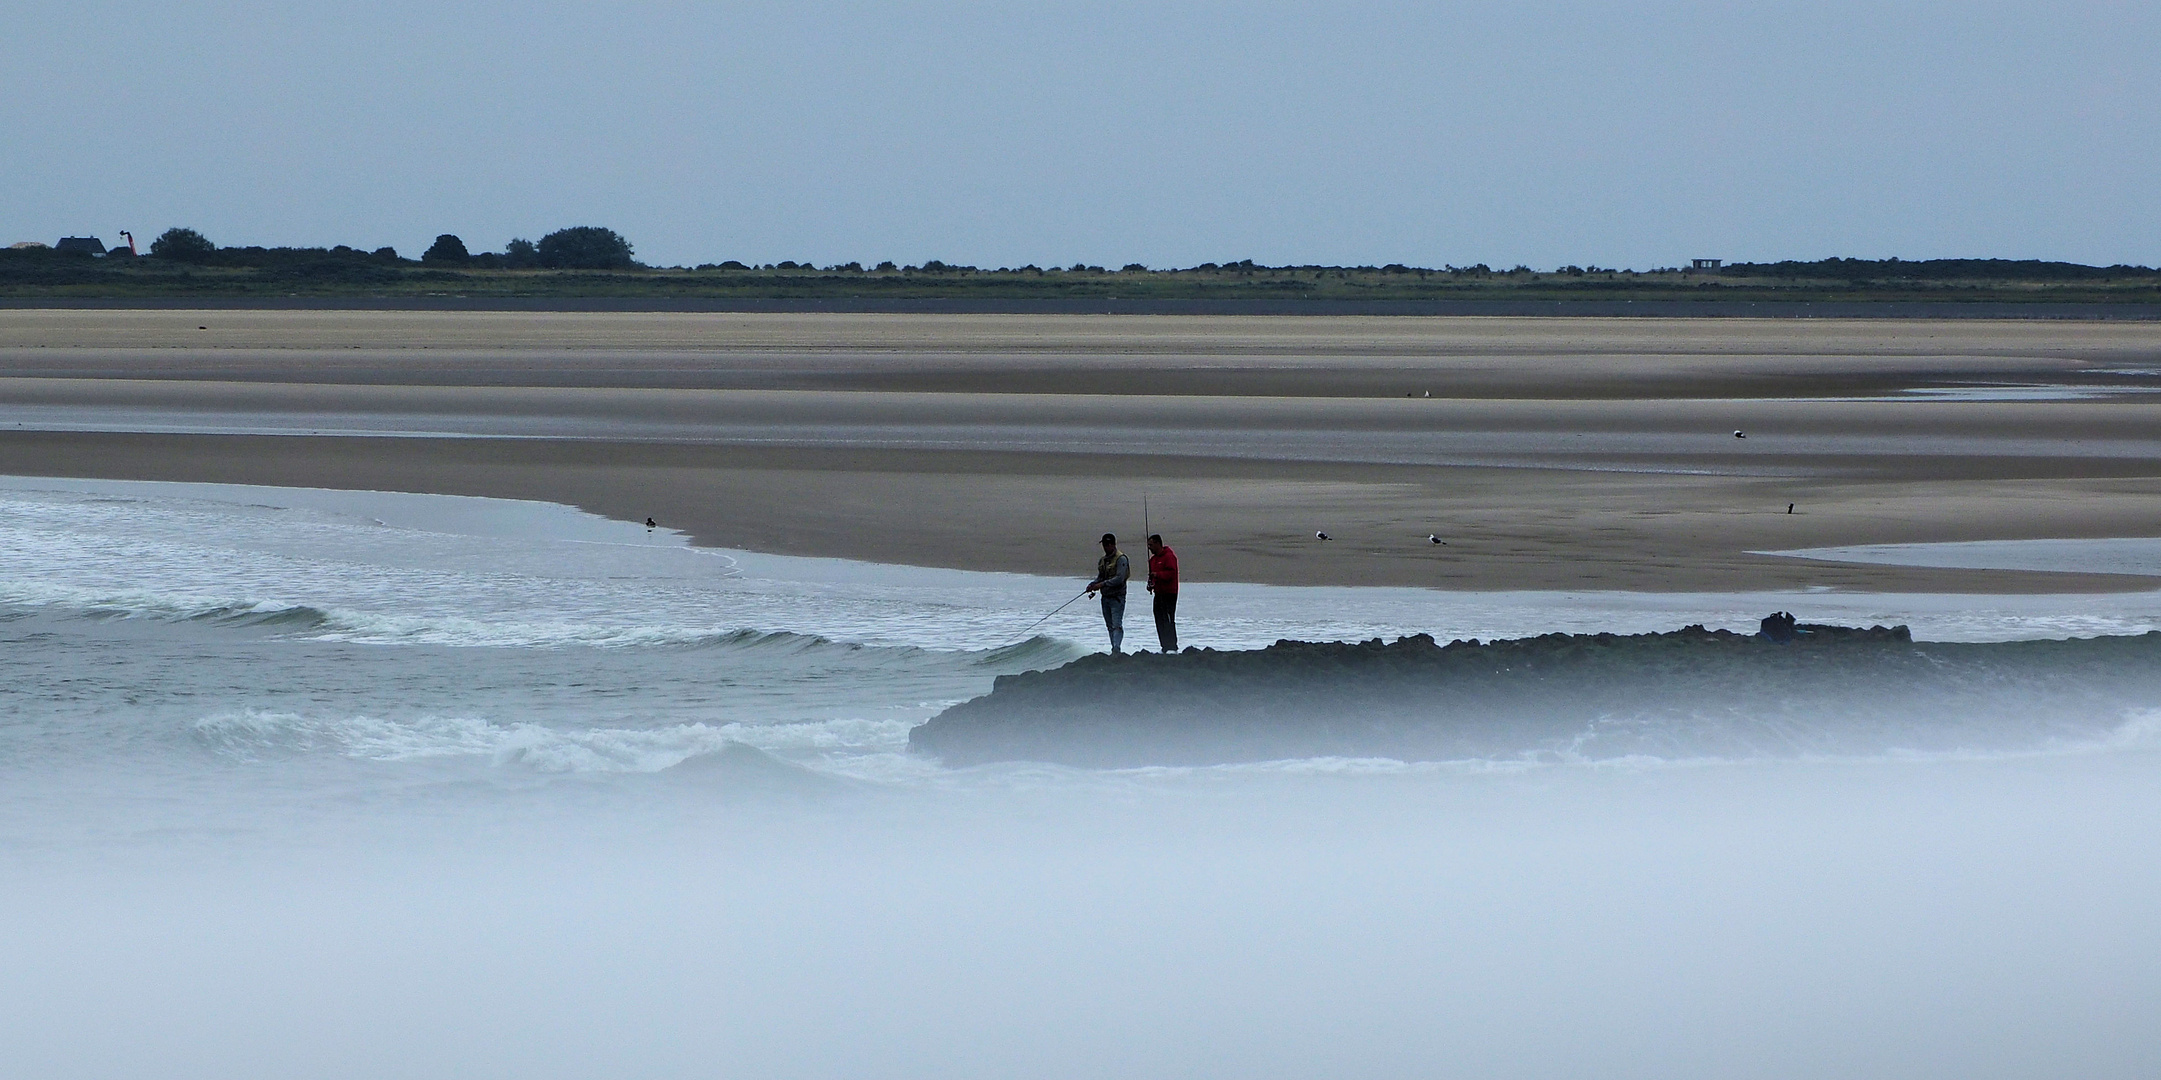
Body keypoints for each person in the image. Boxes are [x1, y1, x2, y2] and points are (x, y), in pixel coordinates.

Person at [1084, 532, 1130, 654]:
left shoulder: (1121, 559)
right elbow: (1101, 577)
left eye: (1107, 544)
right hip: (1105, 598)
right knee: (1110, 625)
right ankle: (1113, 647)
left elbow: (1120, 578)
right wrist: (1092, 584)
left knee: (1117, 625)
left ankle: (1116, 648)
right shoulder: (1103, 560)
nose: (1105, 547)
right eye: (1104, 544)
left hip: (1117, 597)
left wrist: (1102, 584)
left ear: (1113, 544)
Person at [1145, 533, 1178, 653]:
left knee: (1168, 619)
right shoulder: (1152, 560)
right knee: (1159, 619)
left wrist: (1158, 575)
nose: (1149, 547)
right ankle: (1164, 646)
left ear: (1158, 544)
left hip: (1169, 593)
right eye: (1148, 545)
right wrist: (1150, 584)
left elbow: (1171, 574)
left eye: (1151, 545)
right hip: (1158, 593)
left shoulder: (1169, 556)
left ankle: (1172, 646)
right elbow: (1152, 576)